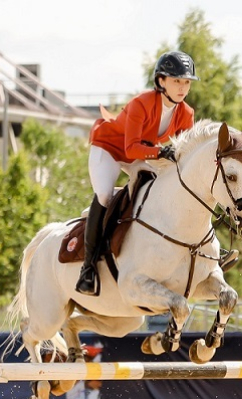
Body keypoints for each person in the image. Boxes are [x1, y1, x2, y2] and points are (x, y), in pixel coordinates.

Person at [76, 51, 200, 296]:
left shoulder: (187, 113)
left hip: (142, 156)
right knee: (104, 194)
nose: (182, 88)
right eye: (176, 81)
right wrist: (161, 152)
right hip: (110, 149)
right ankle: (88, 268)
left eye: (186, 82)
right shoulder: (141, 103)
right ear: (161, 81)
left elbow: (182, 154)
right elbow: (130, 147)